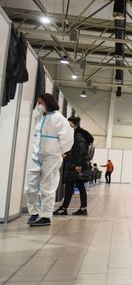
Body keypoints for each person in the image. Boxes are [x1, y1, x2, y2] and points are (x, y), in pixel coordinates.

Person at [25, 94, 74, 226]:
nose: (38, 105)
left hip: (51, 156)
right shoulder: (39, 118)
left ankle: (45, 216)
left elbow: (68, 138)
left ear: (48, 103)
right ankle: (34, 213)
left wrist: (63, 152)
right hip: (36, 155)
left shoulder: (59, 119)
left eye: (40, 103)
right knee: (31, 186)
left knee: (47, 187)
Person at [54, 116, 94, 216]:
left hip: (75, 165)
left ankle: (65, 208)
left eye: (70, 125)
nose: (68, 127)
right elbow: (75, 150)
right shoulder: (77, 134)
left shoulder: (77, 135)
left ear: (75, 125)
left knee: (70, 187)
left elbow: (80, 151)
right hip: (75, 164)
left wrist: (78, 165)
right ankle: (81, 208)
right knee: (78, 186)